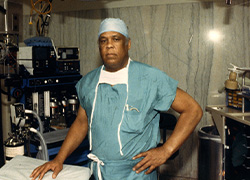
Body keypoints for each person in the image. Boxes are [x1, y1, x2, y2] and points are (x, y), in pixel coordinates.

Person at [30, 18, 203, 180]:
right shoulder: (88, 83)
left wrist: (166, 150)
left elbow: (192, 110)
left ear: (128, 44)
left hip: (137, 173)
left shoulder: (150, 78)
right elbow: (82, 122)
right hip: (100, 173)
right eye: (103, 40)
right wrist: (59, 159)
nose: (109, 46)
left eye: (116, 39)